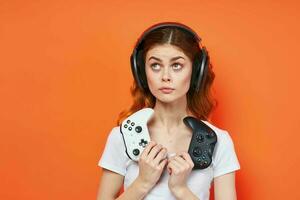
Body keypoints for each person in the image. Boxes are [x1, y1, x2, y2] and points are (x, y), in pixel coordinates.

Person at [96, 21, 241, 200]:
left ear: (196, 72)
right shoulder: (123, 137)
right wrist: (143, 182)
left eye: (176, 65)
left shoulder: (219, 141)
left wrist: (181, 189)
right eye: (155, 65)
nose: (165, 77)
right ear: (142, 72)